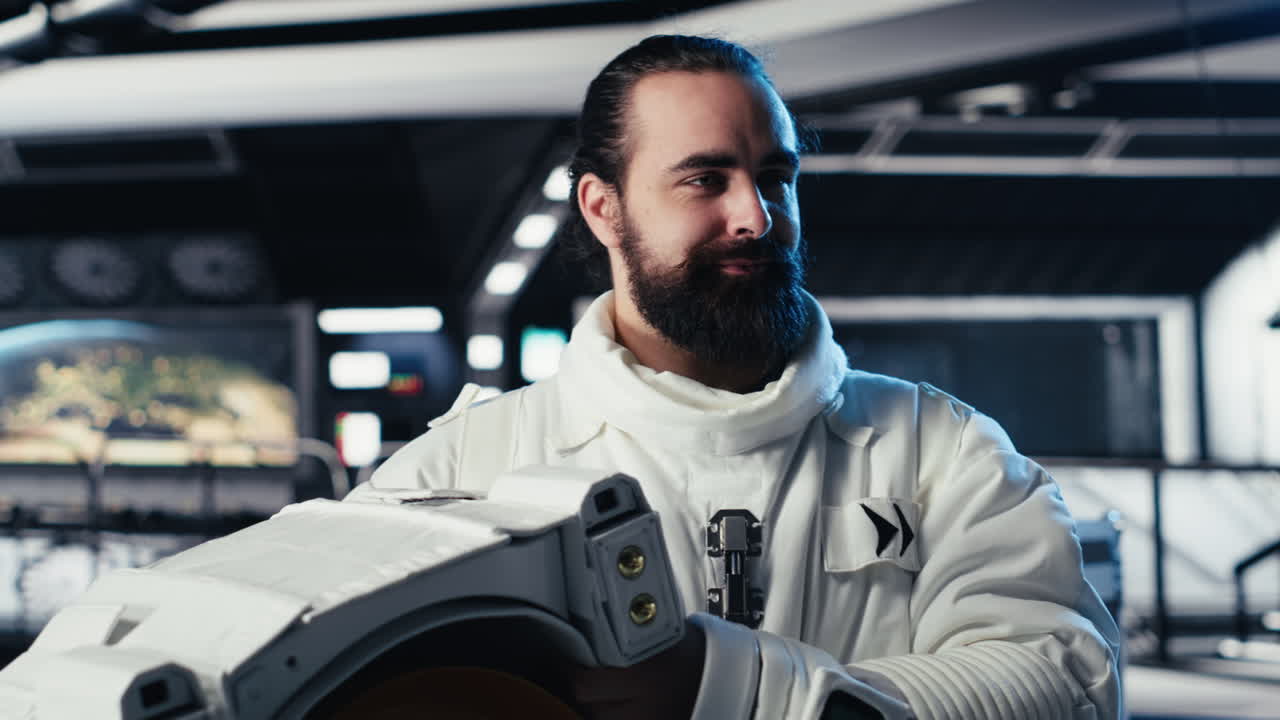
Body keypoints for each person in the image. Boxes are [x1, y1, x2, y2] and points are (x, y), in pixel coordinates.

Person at [355, 34, 1122, 719]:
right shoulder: (460, 470)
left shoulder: (942, 452)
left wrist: (741, 689)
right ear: (602, 208)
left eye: (775, 176)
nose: (756, 215)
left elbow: (1067, 684)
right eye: (705, 179)